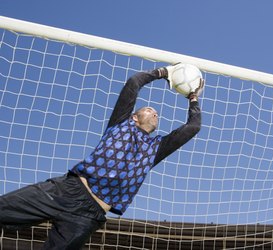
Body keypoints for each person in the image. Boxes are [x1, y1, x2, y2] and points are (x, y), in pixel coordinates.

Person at [0, 65, 203, 249]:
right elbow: (134, 82)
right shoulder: (120, 123)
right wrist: (164, 72)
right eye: (149, 109)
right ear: (134, 116)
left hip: (87, 216)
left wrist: (193, 97)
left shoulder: (156, 148)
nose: (154, 113)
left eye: (157, 114)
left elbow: (193, 127)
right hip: (67, 191)